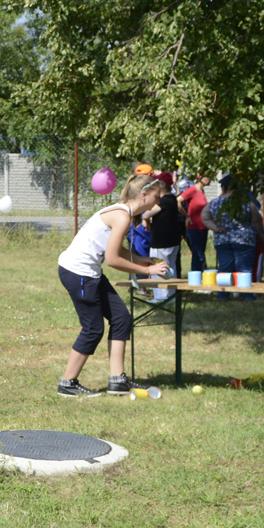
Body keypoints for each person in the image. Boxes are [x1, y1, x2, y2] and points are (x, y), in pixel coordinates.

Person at [55, 172, 170, 398]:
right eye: (157, 198)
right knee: (93, 328)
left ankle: (117, 381)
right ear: (144, 194)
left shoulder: (121, 211)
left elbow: (114, 249)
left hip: (89, 273)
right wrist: (148, 271)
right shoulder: (122, 216)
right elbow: (113, 259)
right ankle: (67, 383)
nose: (158, 203)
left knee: (121, 318)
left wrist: (138, 258)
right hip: (78, 272)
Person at [203, 175, 263, 300]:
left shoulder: (215, 203)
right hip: (244, 239)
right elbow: (256, 220)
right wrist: (260, 234)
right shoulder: (246, 202)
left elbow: (205, 216)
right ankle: (247, 295)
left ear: (223, 188)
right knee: (245, 268)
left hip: (222, 239)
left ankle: (223, 294)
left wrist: (215, 228)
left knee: (225, 268)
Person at [145, 170, 184, 297]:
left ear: (161, 186)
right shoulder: (172, 198)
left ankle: (161, 297)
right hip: (173, 240)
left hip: (161, 242)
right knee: (171, 269)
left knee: (159, 269)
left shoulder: (164, 201)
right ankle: (171, 296)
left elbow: (146, 214)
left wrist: (147, 221)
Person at [179, 177, 209, 275]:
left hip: (203, 227)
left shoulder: (202, 191)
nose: (210, 180)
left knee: (200, 255)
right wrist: (187, 216)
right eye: (209, 177)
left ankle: (199, 278)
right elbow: (178, 201)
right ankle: (196, 280)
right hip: (194, 228)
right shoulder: (192, 190)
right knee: (198, 255)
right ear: (201, 178)